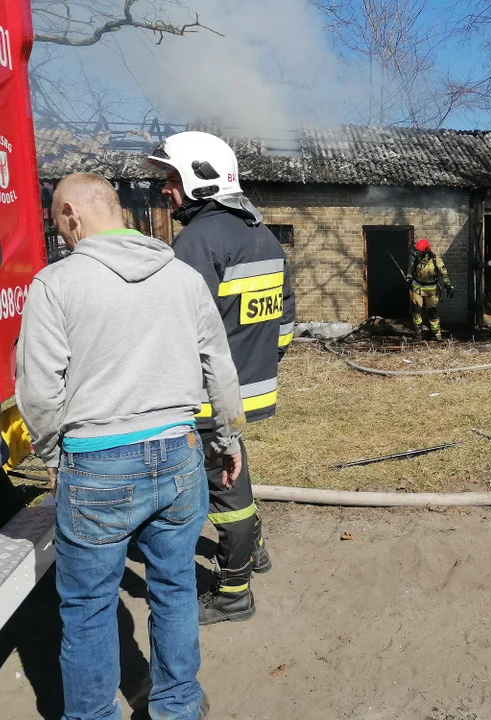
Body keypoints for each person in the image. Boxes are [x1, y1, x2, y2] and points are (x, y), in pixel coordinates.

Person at [16, 172, 245, 720]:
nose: (61, 235)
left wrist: (51, 458)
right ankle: (178, 705)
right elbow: (220, 365)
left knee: (90, 606)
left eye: (57, 223)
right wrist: (230, 438)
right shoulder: (182, 277)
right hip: (179, 454)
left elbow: (39, 391)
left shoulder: (56, 284)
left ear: (71, 213)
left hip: (97, 464)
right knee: (173, 588)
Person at [146, 132, 296, 625]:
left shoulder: (198, 240)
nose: (165, 189)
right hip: (247, 388)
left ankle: (233, 593)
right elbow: (286, 322)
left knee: (225, 493)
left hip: (209, 396)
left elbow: (176, 325)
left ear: (201, 177)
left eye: (171, 179)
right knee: (236, 476)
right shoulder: (261, 233)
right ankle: (256, 551)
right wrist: (253, 365)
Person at [407, 238, 453, 339]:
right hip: (417, 287)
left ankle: (436, 333)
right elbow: (410, 270)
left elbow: (444, 274)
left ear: (426, 251)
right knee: (415, 309)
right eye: (417, 251)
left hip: (432, 289)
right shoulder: (415, 259)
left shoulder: (436, 260)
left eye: (420, 251)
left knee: (433, 311)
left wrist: (448, 285)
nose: (417, 253)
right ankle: (418, 331)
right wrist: (409, 278)